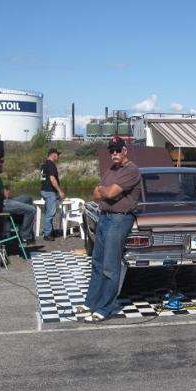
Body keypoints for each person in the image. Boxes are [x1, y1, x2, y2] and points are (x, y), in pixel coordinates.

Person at [74, 138, 141, 323]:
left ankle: (104, 308)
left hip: (120, 219)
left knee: (110, 266)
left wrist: (104, 190)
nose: (114, 154)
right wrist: (105, 190)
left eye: (118, 150)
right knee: (96, 263)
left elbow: (109, 193)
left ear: (125, 150)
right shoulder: (111, 170)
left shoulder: (131, 170)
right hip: (104, 217)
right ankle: (91, 303)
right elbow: (96, 194)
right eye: (112, 151)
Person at [0, 157, 36, 243]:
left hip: (3, 202)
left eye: (1, 164)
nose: (1, 166)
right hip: (2, 205)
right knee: (32, 210)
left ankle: (21, 222)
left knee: (28, 199)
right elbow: (6, 195)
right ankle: (25, 235)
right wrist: (7, 189)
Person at [40, 148, 65, 241]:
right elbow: (52, 179)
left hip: (44, 190)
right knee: (50, 213)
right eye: (58, 154)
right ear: (53, 154)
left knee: (48, 212)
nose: (58, 156)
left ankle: (50, 230)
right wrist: (60, 191)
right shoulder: (51, 165)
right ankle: (47, 234)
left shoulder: (44, 164)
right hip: (50, 191)